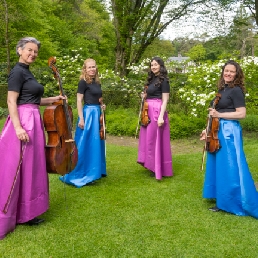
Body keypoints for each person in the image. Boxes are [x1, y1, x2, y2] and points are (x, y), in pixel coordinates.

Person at [0, 37, 66, 240]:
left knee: (32, 167)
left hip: (33, 120)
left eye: (35, 51)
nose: (33, 54)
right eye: (29, 50)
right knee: (18, 168)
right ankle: (11, 214)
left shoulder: (28, 72)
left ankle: (27, 213)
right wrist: (18, 127)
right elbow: (11, 101)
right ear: (20, 50)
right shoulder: (17, 72)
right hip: (23, 123)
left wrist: (55, 99)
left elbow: (34, 101)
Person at [200, 60, 258, 218]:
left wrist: (219, 115)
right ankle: (222, 199)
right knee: (219, 166)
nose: (228, 74)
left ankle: (233, 202)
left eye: (232, 72)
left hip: (229, 131)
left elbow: (241, 114)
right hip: (217, 129)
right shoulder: (222, 89)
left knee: (230, 166)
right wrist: (207, 130)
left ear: (236, 74)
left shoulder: (236, 90)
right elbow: (215, 112)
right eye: (226, 71)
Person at [59, 58, 107, 187]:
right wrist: (81, 118)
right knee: (86, 143)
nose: (92, 69)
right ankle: (80, 172)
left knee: (97, 142)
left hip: (97, 113)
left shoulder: (97, 82)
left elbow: (99, 99)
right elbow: (79, 100)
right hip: (88, 114)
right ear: (85, 69)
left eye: (94, 67)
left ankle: (97, 170)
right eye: (89, 67)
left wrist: (102, 106)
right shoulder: (83, 82)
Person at [137, 56, 173, 180]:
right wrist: (144, 96)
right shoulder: (151, 80)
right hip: (148, 111)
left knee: (155, 140)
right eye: (152, 65)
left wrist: (161, 116)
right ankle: (150, 163)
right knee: (148, 139)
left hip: (157, 111)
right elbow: (149, 95)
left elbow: (165, 99)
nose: (153, 67)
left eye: (156, 65)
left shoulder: (164, 81)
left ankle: (157, 167)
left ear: (161, 66)